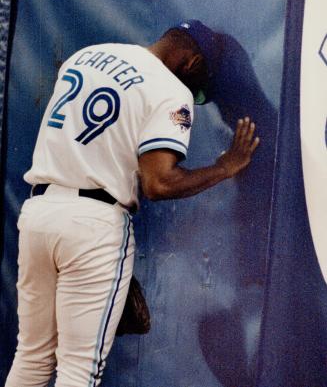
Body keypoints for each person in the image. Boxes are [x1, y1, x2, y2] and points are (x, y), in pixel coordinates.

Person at [5, 20, 259, 387]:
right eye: (199, 86)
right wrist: (224, 167)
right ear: (190, 62)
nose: (196, 94)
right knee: (78, 371)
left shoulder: (86, 56)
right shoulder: (171, 89)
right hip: (92, 224)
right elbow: (158, 183)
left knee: (31, 357)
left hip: (39, 213)